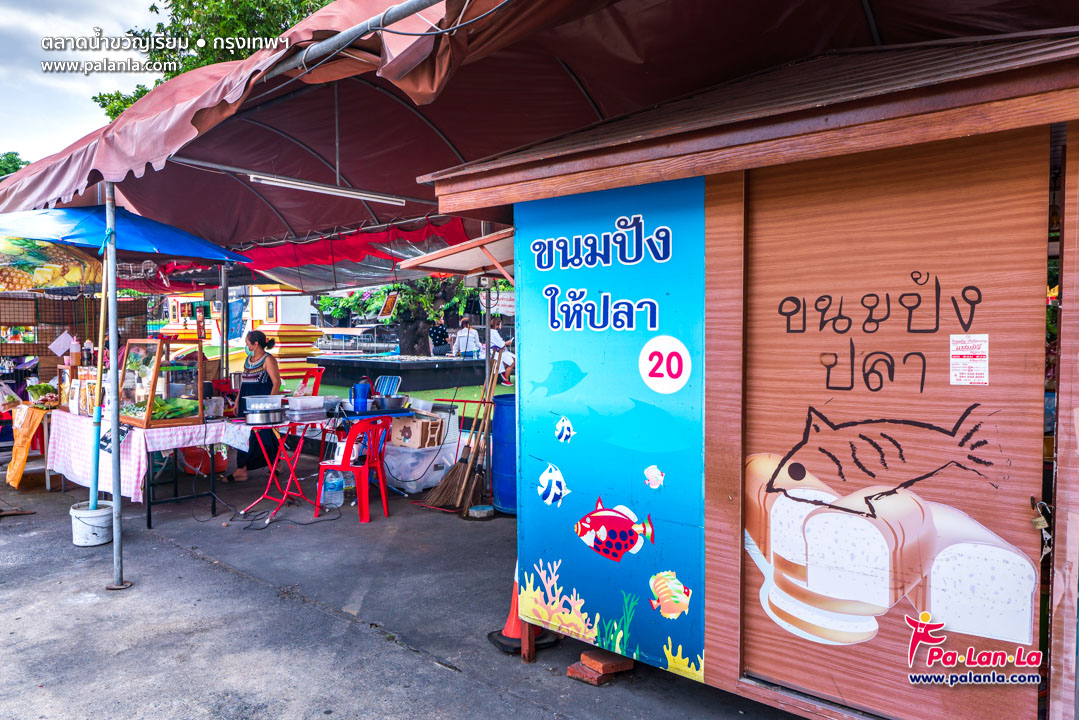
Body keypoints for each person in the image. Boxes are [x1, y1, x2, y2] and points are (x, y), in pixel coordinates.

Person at [228, 330, 282, 482]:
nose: (246, 346)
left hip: (261, 403)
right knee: (243, 434)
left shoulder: (268, 360)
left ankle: (276, 463)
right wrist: (237, 400)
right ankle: (241, 468)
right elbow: (244, 382)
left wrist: (269, 404)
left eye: (247, 343)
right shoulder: (248, 360)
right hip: (245, 402)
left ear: (256, 344)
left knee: (265, 435)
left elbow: (276, 382)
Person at [489, 317, 515, 386]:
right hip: (498, 352)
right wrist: (507, 343)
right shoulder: (494, 333)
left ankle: (505, 376)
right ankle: (505, 378)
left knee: (514, 360)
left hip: (499, 351)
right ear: (498, 324)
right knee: (512, 362)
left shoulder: (492, 332)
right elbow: (501, 344)